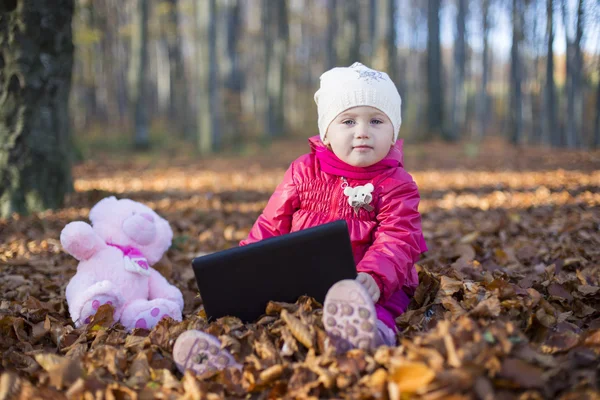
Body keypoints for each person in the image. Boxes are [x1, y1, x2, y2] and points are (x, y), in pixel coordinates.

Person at [172, 62, 427, 374]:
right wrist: (238, 270)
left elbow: (398, 238)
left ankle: (370, 337)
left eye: (376, 121)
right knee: (268, 312)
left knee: (377, 307)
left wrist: (375, 276)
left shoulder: (396, 183)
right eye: (348, 121)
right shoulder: (303, 171)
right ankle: (225, 355)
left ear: (393, 133)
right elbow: (270, 226)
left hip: (369, 284)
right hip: (304, 280)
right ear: (327, 134)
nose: (362, 132)